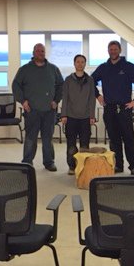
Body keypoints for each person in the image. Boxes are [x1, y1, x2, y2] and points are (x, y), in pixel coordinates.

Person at [91, 40, 134, 175]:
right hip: (109, 108)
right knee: (114, 140)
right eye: (111, 49)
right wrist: (98, 96)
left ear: (120, 50)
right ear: (108, 51)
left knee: (129, 139)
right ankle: (118, 165)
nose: (113, 51)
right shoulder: (103, 67)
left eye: (115, 49)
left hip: (124, 109)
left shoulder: (128, 66)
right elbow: (90, 81)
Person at [12, 43, 64, 171]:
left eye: (43, 51)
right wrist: (23, 101)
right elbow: (16, 85)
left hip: (49, 111)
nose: (41, 53)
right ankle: (27, 162)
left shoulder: (53, 69)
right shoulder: (25, 69)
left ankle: (49, 162)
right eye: (38, 51)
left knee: (48, 139)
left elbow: (61, 86)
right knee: (31, 138)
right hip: (32, 111)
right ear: (33, 53)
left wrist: (56, 100)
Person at [61, 54, 96, 175]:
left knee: (84, 145)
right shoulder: (68, 80)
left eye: (82, 62)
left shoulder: (90, 80)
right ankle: (72, 166)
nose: (80, 64)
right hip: (71, 117)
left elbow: (92, 99)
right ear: (74, 63)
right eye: (78, 62)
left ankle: (83, 166)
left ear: (85, 64)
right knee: (71, 144)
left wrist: (92, 116)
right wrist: (63, 115)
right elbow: (65, 98)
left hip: (85, 118)